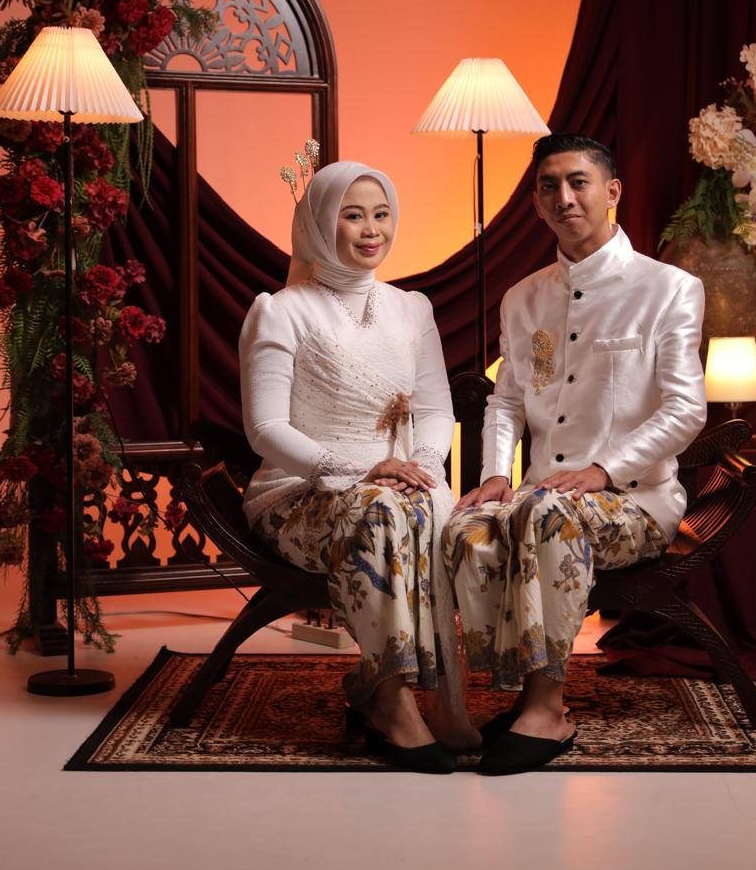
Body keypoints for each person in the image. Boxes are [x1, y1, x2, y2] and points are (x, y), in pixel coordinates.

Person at [443, 134, 707, 775]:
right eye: (549, 187)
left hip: (635, 501)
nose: (564, 197)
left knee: (543, 518)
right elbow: (508, 401)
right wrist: (495, 475)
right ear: (536, 203)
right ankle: (498, 690)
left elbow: (685, 410)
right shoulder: (524, 297)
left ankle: (547, 708)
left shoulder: (669, 289)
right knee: (463, 529)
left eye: (578, 182)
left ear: (611, 192)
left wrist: (603, 470)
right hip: (539, 496)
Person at [240, 159, 477, 773]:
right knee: (382, 511)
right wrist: (358, 469)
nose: (372, 230)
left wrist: (422, 466)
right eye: (353, 216)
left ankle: (394, 689)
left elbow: (435, 409)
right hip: (298, 492)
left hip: (398, 484)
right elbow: (264, 428)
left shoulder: (412, 308)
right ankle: (393, 702)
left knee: (422, 507)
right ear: (321, 223)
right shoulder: (280, 311)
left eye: (382, 214)